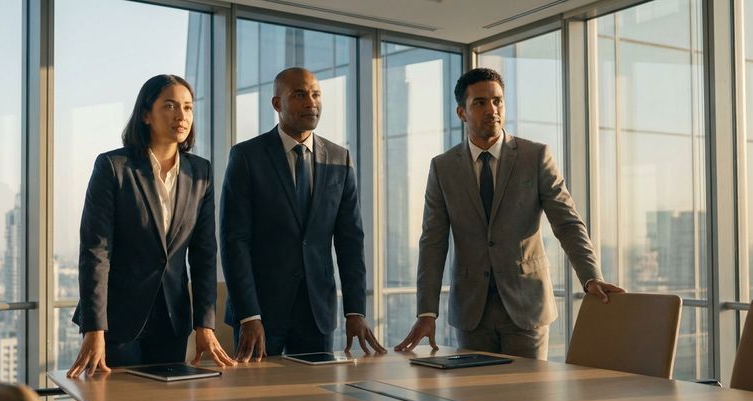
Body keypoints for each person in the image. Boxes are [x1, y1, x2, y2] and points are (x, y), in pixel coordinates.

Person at [394, 68, 624, 359]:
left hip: (527, 307)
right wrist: (427, 311)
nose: (492, 109)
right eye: (479, 102)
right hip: (471, 312)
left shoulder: (535, 156)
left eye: (498, 101)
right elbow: (433, 241)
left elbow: (567, 223)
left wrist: (591, 277)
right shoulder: (443, 168)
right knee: (473, 400)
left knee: (528, 400)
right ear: (461, 113)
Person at [68, 74, 235, 378]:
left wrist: (205, 324)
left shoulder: (201, 172)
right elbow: (96, 252)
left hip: (172, 321)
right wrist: (95, 328)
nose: (181, 116)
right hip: (116, 320)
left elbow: (204, 255)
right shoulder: (112, 167)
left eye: (187, 107)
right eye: (170, 106)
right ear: (146, 114)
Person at [221, 67, 385, 361]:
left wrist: (355, 311)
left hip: (316, 312)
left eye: (315, 94)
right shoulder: (247, 156)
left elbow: (350, 241)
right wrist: (249, 315)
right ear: (276, 104)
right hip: (260, 314)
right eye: (299, 95)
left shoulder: (339, 158)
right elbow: (234, 241)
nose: (311, 102)